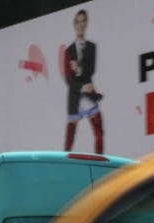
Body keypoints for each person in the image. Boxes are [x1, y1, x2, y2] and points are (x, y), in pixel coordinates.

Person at [63, 9, 104, 154]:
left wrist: (79, 70)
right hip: (75, 96)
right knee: (70, 136)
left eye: (83, 21)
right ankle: (65, 161)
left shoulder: (92, 47)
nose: (81, 24)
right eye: (78, 22)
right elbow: (68, 78)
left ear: (86, 24)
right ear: (75, 25)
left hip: (88, 96)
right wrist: (82, 87)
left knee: (99, 131)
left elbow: (90, 70)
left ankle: (100, 161)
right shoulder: (68, 51)